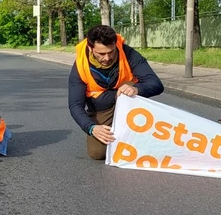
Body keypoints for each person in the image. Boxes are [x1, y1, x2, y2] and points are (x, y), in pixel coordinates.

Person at [68, 24, 164, 160]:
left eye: (111, 52)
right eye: (101, 53)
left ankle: (139, 135)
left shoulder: (128, 52)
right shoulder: (80, 66)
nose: (107, 58)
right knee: (97, 153)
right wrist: (92, 128)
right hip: (102, 108)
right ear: (91, 48)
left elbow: (156, 84)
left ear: (115, 45)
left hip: (128, 99)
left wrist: (137, 89)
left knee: (131, 85)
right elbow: (75, 105)